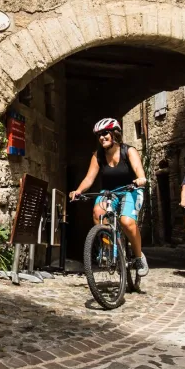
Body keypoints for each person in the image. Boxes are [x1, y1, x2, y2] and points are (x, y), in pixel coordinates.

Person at [69, 118, 149, 277]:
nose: (101, 137)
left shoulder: (129, 151)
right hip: (109, 192)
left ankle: (139, 257)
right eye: (99, 135)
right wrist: (78, 190)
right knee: (98, 212)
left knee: (127, 222)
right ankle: (108, 246)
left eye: (105, 133)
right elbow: (89, 179)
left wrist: (140, 179)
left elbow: (139, 172)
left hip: (130, 189)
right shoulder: (98, 156)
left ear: (115, 134)